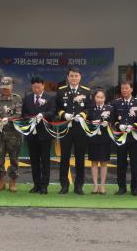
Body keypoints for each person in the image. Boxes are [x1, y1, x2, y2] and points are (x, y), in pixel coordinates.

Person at [55, 67, 92, 195]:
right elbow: (57, 107)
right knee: (64, 157)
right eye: (71, 76)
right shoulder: (61, 90)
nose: (74, 78)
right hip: (66, 127)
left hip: (80, 128)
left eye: (76, 76)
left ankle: (79, 186)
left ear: (80, 77)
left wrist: (82, 115)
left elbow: (89, 108)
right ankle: (64, 185)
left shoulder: (86, 91)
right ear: (68, 77)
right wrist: (63, 114)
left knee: (80, 158)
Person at [22, 76, 56, 194]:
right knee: (34, 160)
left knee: (45, 161)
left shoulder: (50, 98)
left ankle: (44, 186)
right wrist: (30, 118)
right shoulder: (27, 98)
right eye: (34, 87)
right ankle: (36, 185)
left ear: (43, 86)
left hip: (45, 134)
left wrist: (43, 115)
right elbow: (24, 114)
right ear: (32, 87)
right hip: (32, 134)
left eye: (39, 87)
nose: (37, 89)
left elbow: (53, 113)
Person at [111, 80, 137, 196]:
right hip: (121, 137)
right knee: (121, 163)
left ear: (131, 89)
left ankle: (135, 187)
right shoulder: (116, 103)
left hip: (134, 137)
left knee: (136, 163)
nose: (124, 90)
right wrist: (118, 125)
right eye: (122, 88)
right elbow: (113, 118)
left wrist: (134, 126)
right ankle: (122, 187)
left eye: (126, 88)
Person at [0, 76, 23, 192]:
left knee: (14, 158)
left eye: (7, 87)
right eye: (3, 87)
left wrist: (8, 119)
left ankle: (13, 182)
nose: (5, 89)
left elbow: (18, 114)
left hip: (13, 134)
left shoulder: (17, 98)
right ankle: (1, 181)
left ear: (12, 87)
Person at [87, 88, 112, 194]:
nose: (100, 99)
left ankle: (102, 186)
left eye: (102, 97)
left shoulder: (110, 108)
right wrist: (91, 123)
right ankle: (95, 186)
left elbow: (113, 121)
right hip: (93, 138)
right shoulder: (90, 108)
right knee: (94, 162)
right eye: (98, 97)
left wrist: (108, 123)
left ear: (105, 98)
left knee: (104, 162)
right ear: (94, 98)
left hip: (105, 138)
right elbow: (86, 121)